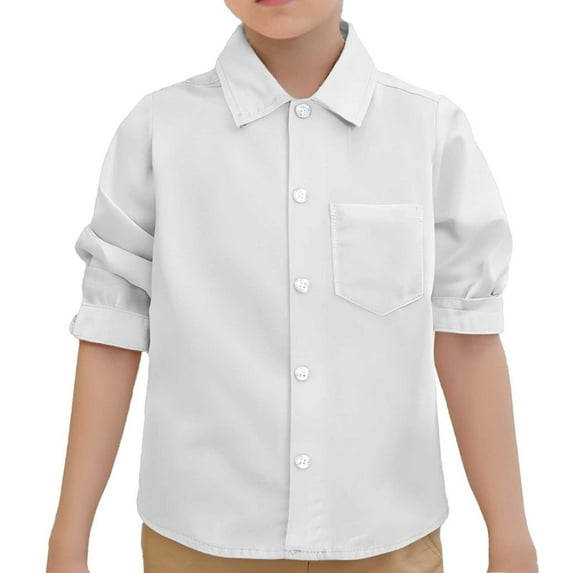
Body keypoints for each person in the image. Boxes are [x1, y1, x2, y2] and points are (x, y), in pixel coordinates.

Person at [47, 1, 538, 572]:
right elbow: (112, 331)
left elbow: (466, 336)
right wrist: (69, 537)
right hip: (197, 542)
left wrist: (510, 536)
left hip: (387, 542)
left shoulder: (428, 131)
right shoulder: (159, 130)